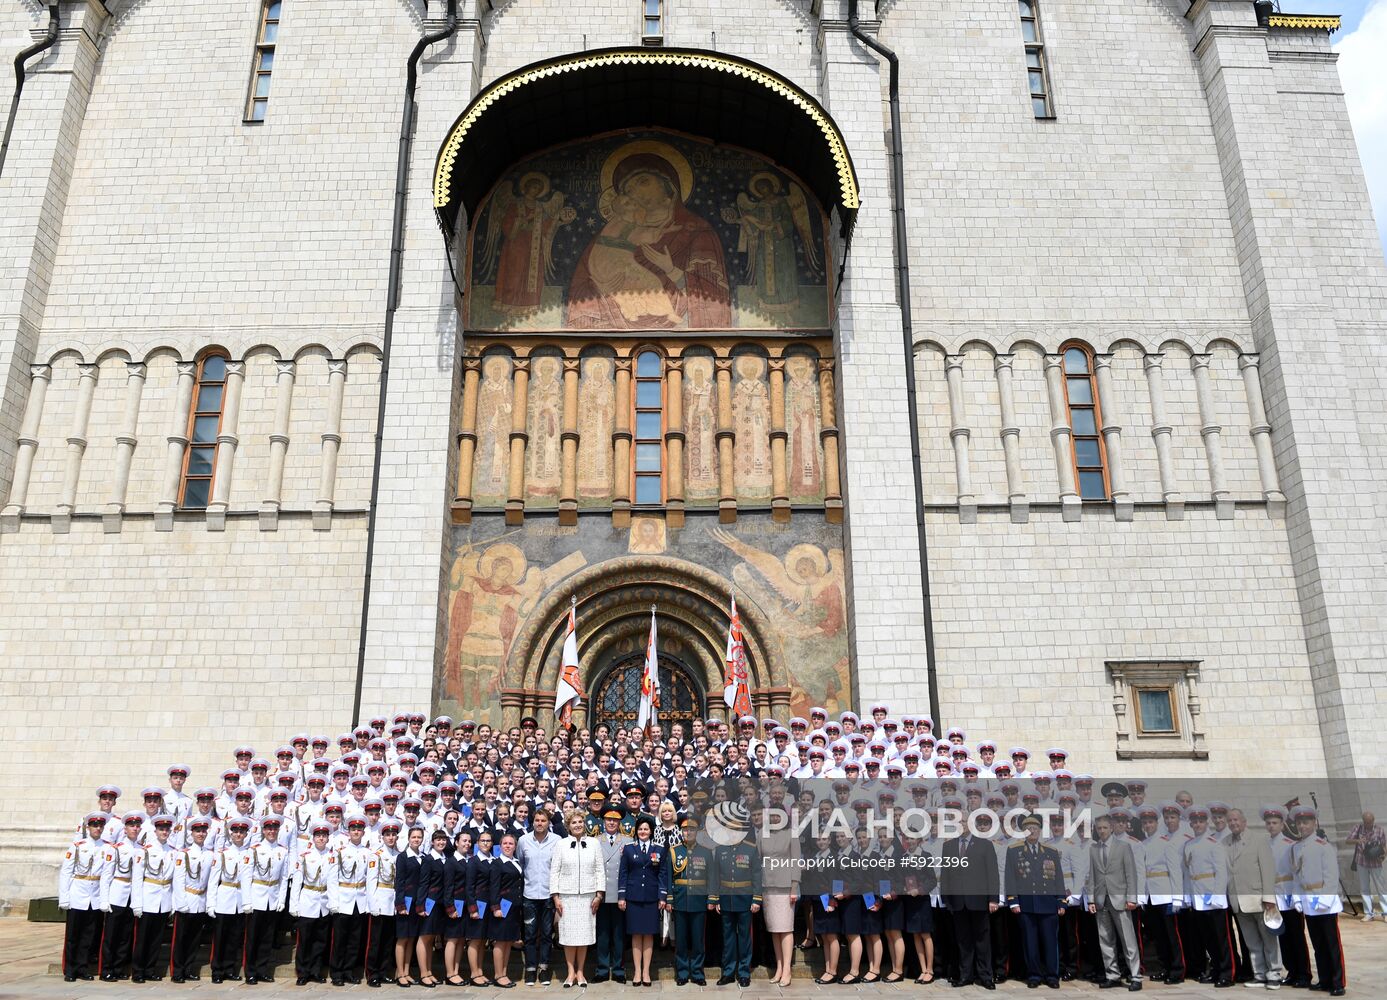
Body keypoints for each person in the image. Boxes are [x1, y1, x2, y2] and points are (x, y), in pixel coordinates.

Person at [1290, 806, 1345, 996]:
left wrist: (1325, 899)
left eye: (1306, 822)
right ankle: (1324, 979)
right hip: (1308, 901)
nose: (1302, 826)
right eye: (1299, 823)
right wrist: (1297, 897)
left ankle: (1338, 982)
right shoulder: (1296, 847)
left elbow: (1331, 876)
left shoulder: (1323, 846)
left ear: (1314, 823)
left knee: (1332, 944)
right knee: (1318, 945)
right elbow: (1297, 875)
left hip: (1324, 902)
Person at [1226, 808, 1284, 989]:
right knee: (1251, 941)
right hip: (1238, 901)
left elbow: (1267, 870)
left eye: (1236, 820)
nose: (1233, 823)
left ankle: (1274, 973)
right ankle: (1259, 974)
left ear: (1244, 822)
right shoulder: (1225, 843)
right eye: (1230, 821)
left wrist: (1269, 898)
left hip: (1259, 899)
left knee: (1269, 940)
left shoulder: (1259, 840)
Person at [1006, 813, 1066, 989]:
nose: (1031, 831)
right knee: (1029, 942)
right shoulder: (1014, 851)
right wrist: (1013, 901)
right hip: (1026, 905)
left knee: (1050, 942)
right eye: (1028, 829)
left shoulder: (1051, 851)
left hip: (1048, 905)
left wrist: (1061, 901)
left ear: (1040, 830)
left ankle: (1052, 975)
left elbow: (1058, 879)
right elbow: (1011, 878)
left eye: (1034, 828)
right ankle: (1033, 975)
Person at [941, 817, 1001, 988]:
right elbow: (946, 874)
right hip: (958, 903)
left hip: (979, 902)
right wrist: (946, 898)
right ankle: (965, 975)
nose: (962, 825)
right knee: (963, 941)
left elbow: (992, 874)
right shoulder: (949, 846)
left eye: (965, 822)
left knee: (983, 941)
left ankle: (985, 976)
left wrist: (993, 899)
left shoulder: (985, 845)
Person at [1087, 814, 1142, 992]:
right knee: (1106, 940)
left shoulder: (1124, 847)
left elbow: (1131, 874)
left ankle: (1135, 976)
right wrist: (1091, 899)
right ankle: (1112, 975)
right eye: (1098, 828)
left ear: (1111, 828)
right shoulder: (1094, 849)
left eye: (1104, 827)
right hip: (1102, 899)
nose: (1101, 831)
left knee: (1128, 940)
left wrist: (1132, 898)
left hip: (1120, 899)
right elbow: (1092, 876)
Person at [550, 811, 605, 987]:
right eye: (574, 822)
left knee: (583, 937)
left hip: (588, 897)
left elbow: (599, 870)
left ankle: (580, 972)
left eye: (580, 821)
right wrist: (556, 897)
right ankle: (570, 972)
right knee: (568, 937)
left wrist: (599, 895)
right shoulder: (561, 844)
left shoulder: (594, 843)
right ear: (568, 825)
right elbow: (554, 871)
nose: (578, 825)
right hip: (567, 897)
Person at [1183, 805, 1233, 988]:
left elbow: (1221, 872)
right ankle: (1215, 970)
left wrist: (1218, 896)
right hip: (1197, 897)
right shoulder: (1188, 845)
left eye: (1200, 821)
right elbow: (1189, 873)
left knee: (1220, 939)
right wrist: (1189, 897)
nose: (1197, 824)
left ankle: (1226, 973)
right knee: (1207, 939)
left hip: (1212, 895)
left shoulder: (1214, 844)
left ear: (1206, 823)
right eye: (1194, 822)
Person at [710, 815, 762, 988]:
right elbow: (716, 876)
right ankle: (728, 972)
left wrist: (756, 898)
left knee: (745, 937)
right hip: (725, 900)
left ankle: (744, 972)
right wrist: (716, 897)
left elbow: (756, 875)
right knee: (728, 937)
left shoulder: (751, 849)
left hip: (745, 899)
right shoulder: (720, 849)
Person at [58, 812, 109, 983]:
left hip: (94, 897)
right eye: (95, 826)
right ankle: (70, 969)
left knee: (89, 935)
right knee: (73, 935)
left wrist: (103, 899)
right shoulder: (77, 846)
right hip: (77, 895)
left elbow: (106, 876)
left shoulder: (106, 847)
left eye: (100, 826)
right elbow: (66, 872)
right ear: (88, 827)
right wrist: (64, 897)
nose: (98, 829)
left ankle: (82, 967)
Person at [618, 816, 669, 986]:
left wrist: (662, 896)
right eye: (640, 829)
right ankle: (637, 972)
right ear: (636, 831)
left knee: (648, 934)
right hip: (633, 897)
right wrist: (621, 896)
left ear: (651, 831)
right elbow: (623, 873)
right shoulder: (628, 849)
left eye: (646, 829)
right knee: (635, 934)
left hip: (651, 897)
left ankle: (646, 972)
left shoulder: (659, 849)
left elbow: (662, 874)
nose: (643, 832)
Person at [242, 815, 289, 985]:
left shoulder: (283, 851)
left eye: (275, 829)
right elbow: (246, 877)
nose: (272, 831)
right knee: (253, 938)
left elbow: (284, 877)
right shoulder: (253, 850)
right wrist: (246, 901)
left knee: (267, 939)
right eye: (269, 828)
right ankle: (250, 971)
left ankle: (263, 970)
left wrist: (281, 900)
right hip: (256, 898)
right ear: (263, 830)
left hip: (273, 897)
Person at [758, 806, 801, 986]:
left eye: (779, 815)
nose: (775, 818)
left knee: (785, 928)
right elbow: (758, 859)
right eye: (772, 815)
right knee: (774, 929)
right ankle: (779, 967)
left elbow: (796, 860)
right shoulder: (762, 833)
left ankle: (788, 970)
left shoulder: (791, 834)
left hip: (785, 887)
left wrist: (794, 887)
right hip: (768, 886)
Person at [517, 807, 560, 984]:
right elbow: (521, 863)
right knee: (530, 934)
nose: (540, 823)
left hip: (549, 894)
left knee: (547, 934)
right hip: (530, 893)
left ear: (549, 822)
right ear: (532, 822)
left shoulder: (557, 840)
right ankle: (530, 969)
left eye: (543, 820)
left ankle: (544, 968)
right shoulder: (523, 840)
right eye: (537, 820)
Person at [98, 812, 143, 981]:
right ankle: (106, 969)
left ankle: (119, 967)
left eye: (137, 826)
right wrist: (104, 899)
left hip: (132, 895)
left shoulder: (140, 849)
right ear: (125, 828)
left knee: (126, 935)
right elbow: (106, 875)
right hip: (116, 894)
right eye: (132, 826)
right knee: (111, 935)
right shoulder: (115, 849)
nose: (135, 829)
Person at [207, 816, 252, 985]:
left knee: (234, 938)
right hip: (224, 899)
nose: (239, 835)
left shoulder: (249, 854)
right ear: (231, 834)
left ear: (246, 834)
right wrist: (211, 903)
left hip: (239, 901)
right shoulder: (222, 855)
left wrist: (247, 902)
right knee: (220, 938)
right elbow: (213, 880)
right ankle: (217, 970)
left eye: (242, 832)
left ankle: (230, 969)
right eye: (236, 832)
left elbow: (248, 880)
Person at [170, 816, 215, 983]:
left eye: (203, 831)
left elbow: (210, 880)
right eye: (197, 831)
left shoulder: (210, 855)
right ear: (192, 833)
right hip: (187, 901)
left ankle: (188, 969)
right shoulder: (184, 854)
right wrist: (181, 903)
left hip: (200, 901)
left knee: (194, 940)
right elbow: (178, 880)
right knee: (181, 939)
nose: (201, 834)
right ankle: (177, 971)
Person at [290, 821, 335, 987]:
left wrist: (332, 902)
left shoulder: (331, 856)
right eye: (318, 836)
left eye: (324, 836)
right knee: (305, 941)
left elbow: (333, 881)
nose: (321, 839)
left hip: (323, 902)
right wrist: (294, 905)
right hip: (307, 900)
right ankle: (302, 972)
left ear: (328, 838)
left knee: (320, 940)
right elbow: (297, 882)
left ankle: (316, 971)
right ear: (313, 838)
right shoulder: (305, 856)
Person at [330, 816, 374, 986]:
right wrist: (334, 901)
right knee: (340, 939)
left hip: (360, 901)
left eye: (359, 829)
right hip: (343, 900)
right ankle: (337, 973)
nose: (356, 832)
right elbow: (333, 879)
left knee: (355, 940)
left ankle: (349, 971)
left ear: (363, 832)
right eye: (353, 829)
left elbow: (370, 880)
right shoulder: (340, 852)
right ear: (348, 832)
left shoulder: (368, 853)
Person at [668, 818, 712, 986]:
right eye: (685, 829)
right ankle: (682, 973)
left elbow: (711, 878)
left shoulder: (706, 852)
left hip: (699, 900)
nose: (688, 832)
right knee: (681, 940)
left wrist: (711, 898)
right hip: (680, 899)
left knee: (698, 940)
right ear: (681, 831)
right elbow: (669, 877)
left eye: (692, 829)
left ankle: (697, 973)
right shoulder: (674, 851)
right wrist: (670, 898)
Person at [594, 808, 630, 983]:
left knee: (618, 934)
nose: (611, 823)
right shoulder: (594, 841)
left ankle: (618, 970)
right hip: (600, 894)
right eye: (608, 819)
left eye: (615, 820)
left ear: (619, 823)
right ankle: (601, 969)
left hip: (619, 895)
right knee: (602, 934)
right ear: (603, 821)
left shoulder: (628, 841)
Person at [366, 820, 402, 988]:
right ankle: (372, 973)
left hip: (392, 901)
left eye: (393, 835)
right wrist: (373, 904)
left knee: (388, 941)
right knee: (375, 941)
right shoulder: (376, 854)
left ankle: (383, 971)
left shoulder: (399, 855)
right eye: (388, 835)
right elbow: (371, 881)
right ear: (382, 836)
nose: (391, 838)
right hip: (379, 899)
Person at [489, 831, 525, 988]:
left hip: (514, 907)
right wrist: (496, 907)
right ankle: (498, 975)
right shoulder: (497, 863)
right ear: (500, 846)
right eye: (505, 843)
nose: (508, 846)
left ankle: (504, 972)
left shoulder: (516, 862)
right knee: (500, 942)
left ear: (515, 846)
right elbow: (494, 887)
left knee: (508, 941)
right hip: (502, 907)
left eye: (511, 843)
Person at [394, 825, 428, 988]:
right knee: (402, 938)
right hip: (405, 902)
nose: (416, 840)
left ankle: (406, 971)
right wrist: (400, 904)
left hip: (417, 903)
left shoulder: (424, 856)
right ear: (408, 839)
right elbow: (399, 882)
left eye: (419, 837)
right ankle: (399, 972)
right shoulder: (403, 857)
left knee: (411, 938)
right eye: (414, 837)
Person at [416, 827, 450, 987]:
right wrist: (420, 905)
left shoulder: (445, 858)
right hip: (429, 902)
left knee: (431, 939)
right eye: (438, 840)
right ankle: (423, 973)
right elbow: (423, 883)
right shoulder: (428, 860)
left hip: (440, 903)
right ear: (432, 842)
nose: (441, 842)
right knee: (425, 937)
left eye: (443, 839)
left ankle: (429, 971)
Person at [465, 829, 495, 986]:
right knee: (475, 940)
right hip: (478, 904)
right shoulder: (473, 861)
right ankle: (473, 973)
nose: (485, 843)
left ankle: (480, 971)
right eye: (482, 841)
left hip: (489, 905)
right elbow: (469, 887)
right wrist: (472, 908)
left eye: (488, 841)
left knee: (483, 940)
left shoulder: (493, 860)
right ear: (477, 843)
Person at [442, 830, 472, 985]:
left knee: (461, 940)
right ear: (456, 843)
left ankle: (456, 970)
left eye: (469, 841)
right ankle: (449, 973)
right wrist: (450, 907)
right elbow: (448, 887)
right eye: (464, 841)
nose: (467, 843)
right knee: (452, 940)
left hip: (465, 905)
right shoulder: (451, 861)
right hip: (455, 905)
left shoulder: (468, 861)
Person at [1346, 811, 1386, 922]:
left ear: (1373, 820)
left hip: (1376, 863)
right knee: (1364, 889)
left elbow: (1384, 845)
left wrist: (1383, 856)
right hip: (1362, 862)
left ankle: (1385, 912)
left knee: (1381, 888)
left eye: (1370, 822)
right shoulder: (1358, 828)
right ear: (1363, 821)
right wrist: (1357, 840)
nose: (1368, 824)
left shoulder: (1379, 830)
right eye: (1366, 822)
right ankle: (1369, 913)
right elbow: (1347, 840)